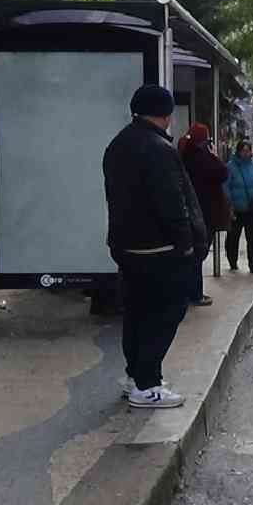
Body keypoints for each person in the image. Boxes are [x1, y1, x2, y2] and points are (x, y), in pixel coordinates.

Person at [103, 85, 206, 408]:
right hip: (160, 249)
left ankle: (135, 375)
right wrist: (186, 244)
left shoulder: (118, 144)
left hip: (127, 246)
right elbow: (172, 203)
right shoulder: (159, 149)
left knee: (136, 313)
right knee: (165, 313)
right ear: (166, 112)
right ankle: (147, 384)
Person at [179, 122, 230, 307]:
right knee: (198, 254)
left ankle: (188, 293)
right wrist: (214, 155)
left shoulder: (183, 154)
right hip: (204, 212)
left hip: (190, 211)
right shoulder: (202, 157)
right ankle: (195, 294)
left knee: (192, 254)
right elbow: (222, 173)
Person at [224, 141, 253, 274]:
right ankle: (232, 261)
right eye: (243, 151)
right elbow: (225, 187)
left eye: (248, 150)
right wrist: (229, 204)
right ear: (238, 152)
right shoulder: (231, 167)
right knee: (233, 237)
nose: (246, 153)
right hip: (236, 209)